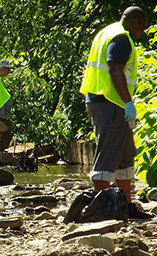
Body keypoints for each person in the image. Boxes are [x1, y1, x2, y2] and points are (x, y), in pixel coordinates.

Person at [80, 6, 153, 219]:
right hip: (109, 101)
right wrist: (128, 102)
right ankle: (101, 207)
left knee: (125, 153)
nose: (142, 33)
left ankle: (126, 204)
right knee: (109, 152)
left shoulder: (106, 31)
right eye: (143, 28)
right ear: (136, 22)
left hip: (107, 101)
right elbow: (115, 69)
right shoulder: (121, 38)